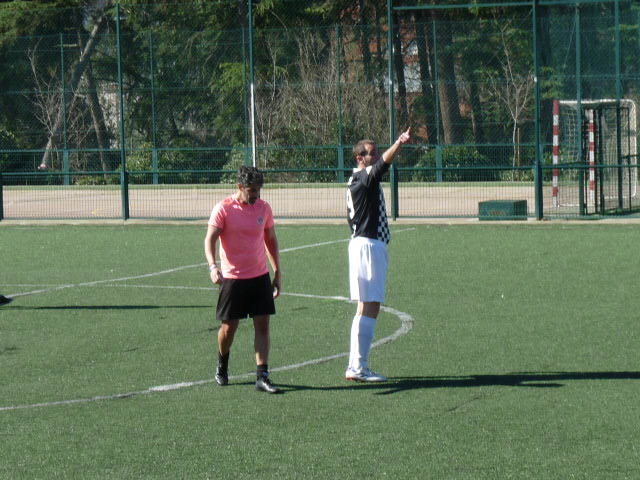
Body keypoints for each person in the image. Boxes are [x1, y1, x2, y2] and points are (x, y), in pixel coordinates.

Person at [204, 166, 282, 394]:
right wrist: (212, 266)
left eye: (258, 190)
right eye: (252, 190)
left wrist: (277, 272)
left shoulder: (264, 208)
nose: (256, 195)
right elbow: (209, 240)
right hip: (233, 279)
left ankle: (262, 376)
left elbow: (271, 240)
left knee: (263, 325)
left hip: (259, 276)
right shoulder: (223, 208)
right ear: (240, 186)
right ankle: (222, 363)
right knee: (229, 328)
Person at [345, 127, 411, 382]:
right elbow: (383, 164)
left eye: (375, 152)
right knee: (371, 306)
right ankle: (358, 367)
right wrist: (399, 142)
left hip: (364, 245)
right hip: (369, 246)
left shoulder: (357, 180)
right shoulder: (364, 178)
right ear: (359, 158)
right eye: (370, 153)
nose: (375, 156)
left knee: (365, 306)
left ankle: (355, 365)